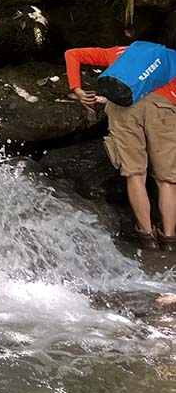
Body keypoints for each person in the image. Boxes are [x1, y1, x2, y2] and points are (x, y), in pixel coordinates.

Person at [65, 44, 176, 250]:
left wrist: (78, 90)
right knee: (167, 179)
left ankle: (147, 236)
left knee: (135, 175)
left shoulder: (119, 53)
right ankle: (169, 238)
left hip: (124, 108)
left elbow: (72, 54)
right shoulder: (171, 58)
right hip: (163, 108)